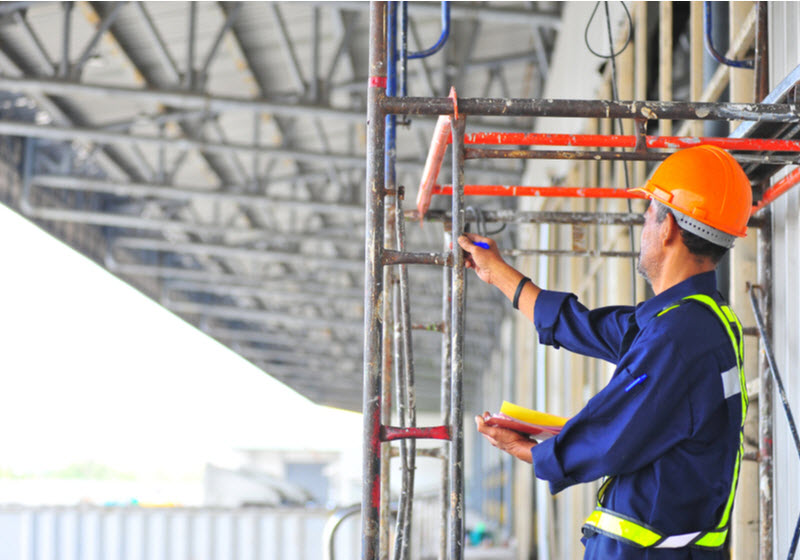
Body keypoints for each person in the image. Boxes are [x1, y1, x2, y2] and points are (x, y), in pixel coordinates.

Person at [459, 145, 752, 559]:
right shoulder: (695, 321)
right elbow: (580, 326)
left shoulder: (678, 337)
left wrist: (523, 449)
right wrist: (497, 273)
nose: (643, 228)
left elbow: (609, 437)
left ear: (668, 228)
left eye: (647, 215)